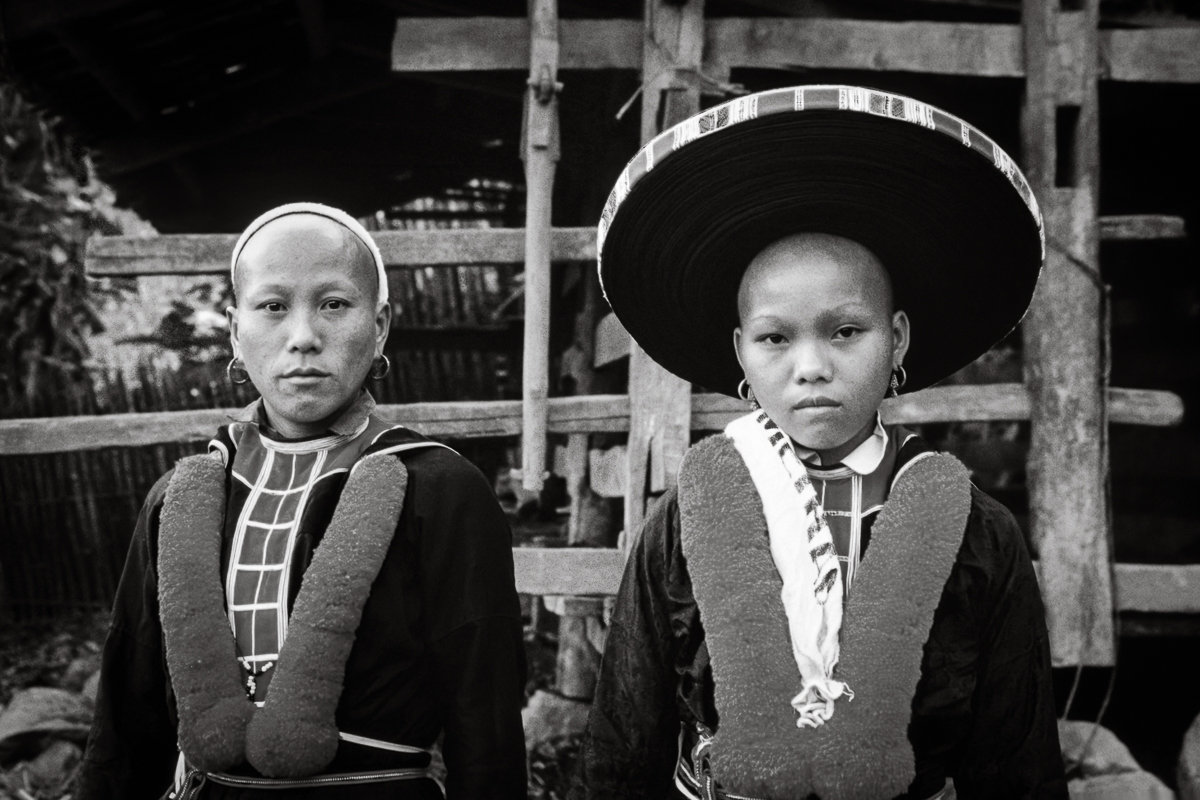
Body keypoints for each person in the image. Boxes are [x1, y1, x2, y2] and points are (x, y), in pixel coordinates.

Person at [572, 86, 1066, 799]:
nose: (811, 366)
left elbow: (1017, 764)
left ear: (895, 338)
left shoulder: (981, 537)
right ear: (741, 353)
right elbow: (622, 744)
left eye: (844, 331)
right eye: (776, 338)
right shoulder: (684, 521)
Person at [77, 203, 528, 800]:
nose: (303, 338)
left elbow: (486, 722)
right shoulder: (178, 501)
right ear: (236, 331)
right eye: (272, 306)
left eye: (334, 304)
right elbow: (126, 723)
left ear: (380, 324)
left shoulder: (442, 493)